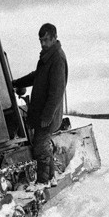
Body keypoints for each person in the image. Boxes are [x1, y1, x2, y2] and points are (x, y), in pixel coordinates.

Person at [12, 23, 68, 187]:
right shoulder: (48, 57)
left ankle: (43, 181)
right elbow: (36, 76)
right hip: (43, 113)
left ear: (54, 38)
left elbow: (56, 92)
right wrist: (16, 82)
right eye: (41, 40)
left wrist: (47, 116)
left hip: (47, 114)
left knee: (41, 148)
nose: (43, 44)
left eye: (46, 40)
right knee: (42, 145)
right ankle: (51, 178)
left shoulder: (57, 58)